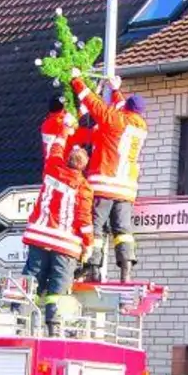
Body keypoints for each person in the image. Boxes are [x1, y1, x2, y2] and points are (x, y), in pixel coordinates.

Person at [68, 69, 148, 282]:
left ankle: (92, 269)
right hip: (127, 189)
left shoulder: (113, 120)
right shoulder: (140, 126)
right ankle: (126, 272)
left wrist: (76, 79)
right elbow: (124, 107)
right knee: (123, 230)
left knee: (97, 228)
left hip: (104, 183)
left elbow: (92, 102)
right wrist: (115, 90)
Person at [12, 141, 94, 335]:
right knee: (58, 287)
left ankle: (19, 319)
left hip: (40, 238)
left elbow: (55, 146)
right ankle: (54, 327)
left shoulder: (52, 168)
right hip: (64, 245)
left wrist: (66, 126)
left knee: (32, 279)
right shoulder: (83, 188)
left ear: (67, 159)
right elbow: (84, 220)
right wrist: (88, 245)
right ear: (84, 166)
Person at [38, 96, 78, 165]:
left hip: (50, 162)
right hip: (61, 162)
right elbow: (73, 130)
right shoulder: (59, 122)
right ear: (62, 108)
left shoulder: (47, 120)